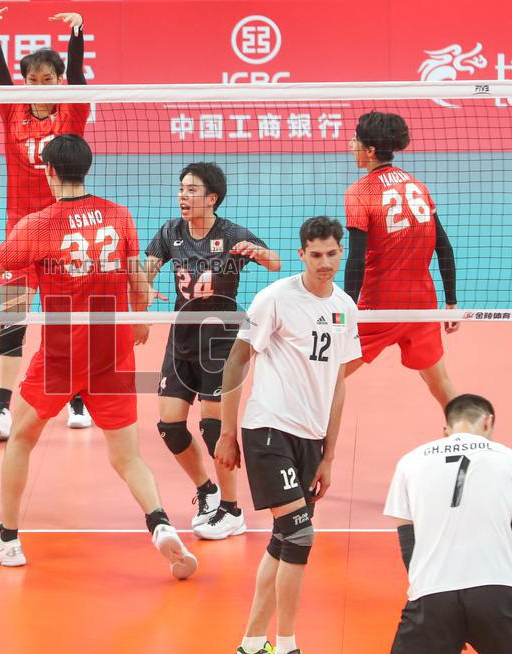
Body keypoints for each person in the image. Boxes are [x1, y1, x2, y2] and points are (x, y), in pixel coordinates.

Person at [0, 134, 197, 579]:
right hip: (112, 348)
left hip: (62, 353)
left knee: (22, 440)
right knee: (127, 456)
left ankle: (7, 539)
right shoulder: (119, 216)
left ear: (47, 171)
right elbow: (136, 279)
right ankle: (159, 522)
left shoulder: (38, 224)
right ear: (87, 168)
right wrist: (140, 317)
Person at [217, 216, 361, 654]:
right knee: (300, 536)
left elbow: (338, 384)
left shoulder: (345, 307)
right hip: (268, 429)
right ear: (301, 254)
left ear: (341, 253)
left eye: (331, 254)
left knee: (284, 540)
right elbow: (236, 362)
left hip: (310, 439)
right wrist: (227, 431)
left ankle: (251, 643)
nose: (324, 263)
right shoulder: (275, 298)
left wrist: (329, 455)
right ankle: (287, 645)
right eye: (315, 255)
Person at [0, 6, 93, 439]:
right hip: (21, 230)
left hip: (65, 230)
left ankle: (77, 399)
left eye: (48, 78)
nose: (40, 86)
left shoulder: (72, 113)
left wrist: (78, 33)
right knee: (13, 317)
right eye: (33, 79)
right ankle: (3, 409)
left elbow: (78, 77)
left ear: (59, 80)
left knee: (63, 318)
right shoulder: (12, 111)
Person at [143, 162, 280, 540]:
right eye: (181, 189)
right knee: (170, 427)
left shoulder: (231, 233)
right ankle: (207, 490)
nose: (183, 197)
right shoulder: (171, 232)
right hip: (181, 339)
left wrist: (255, 251)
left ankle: (232, 510)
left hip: (220, 344)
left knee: (213, 427)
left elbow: (276, 262)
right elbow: (147, 270)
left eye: (191, 190)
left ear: (212, 198)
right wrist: (141, 290)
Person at [384, 393, 512, 653]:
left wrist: (426, 590)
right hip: (497, 591)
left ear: (446, 430)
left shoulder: (408, 463)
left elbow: (408, 546)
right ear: (487, 422)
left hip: (432, 594)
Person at [344, 111, 459, 408]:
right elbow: (443, 247)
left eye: (355, 139)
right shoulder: (418, 187)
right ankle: (472, 438)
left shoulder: (359, 193)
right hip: (422, 306)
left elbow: (356, 260)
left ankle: (309, 447)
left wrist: (345, 310)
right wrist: (451, 303)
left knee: (325, 376)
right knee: (441, 385)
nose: (350, 144)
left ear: (369, 150)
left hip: (378, 308)